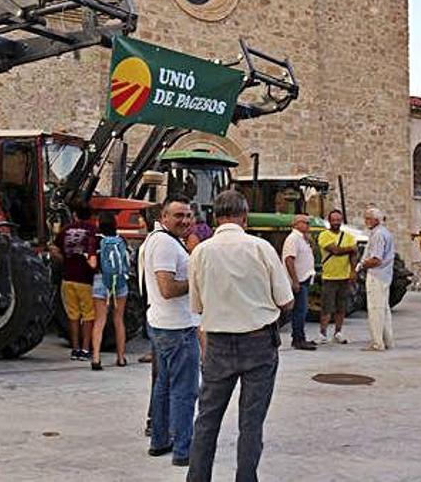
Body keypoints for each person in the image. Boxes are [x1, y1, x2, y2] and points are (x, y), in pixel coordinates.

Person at [188, 190, 294, 482]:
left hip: (219, 344)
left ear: (215, 217)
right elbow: (286, 300)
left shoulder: (200, 252)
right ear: (245, 217)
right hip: (259, 342)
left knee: (207, 420)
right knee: (251, 423)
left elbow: (197, 306)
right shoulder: (260, 248)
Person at [141, 195, 201, 467]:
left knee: (163, 386)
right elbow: (167, 289)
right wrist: (197, 282)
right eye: (178, 215)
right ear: (163, 217)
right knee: (184, 391)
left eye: (188, 215)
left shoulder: (160, 240)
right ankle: (183, 450)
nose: (185, 220)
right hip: (176, 328)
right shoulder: (165, 244)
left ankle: (160, 441)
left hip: (162, 324)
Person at [51, 204, 97, 361]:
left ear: (75, 215)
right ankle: (85, 349)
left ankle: (75, 349)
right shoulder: (93, 231)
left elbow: (54, 249)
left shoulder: (65, 230)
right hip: (86, 280)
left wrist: (64, 261)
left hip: (68, 279)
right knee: (88, 316)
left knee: (73, 316)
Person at [90, 212, 130, 370]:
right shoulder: (121, 240)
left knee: (100, 320)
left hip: (101, 281)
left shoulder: (96, 241)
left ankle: (96, 358)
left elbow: (93, 263)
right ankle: (120, 358)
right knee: (119, 320)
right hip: (120, 282)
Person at [357, 207, 395, 351]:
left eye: (368, 218)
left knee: (375, 310)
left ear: (376, 220)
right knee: (384, 309)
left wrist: (361, 265)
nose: (366, 221)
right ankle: (388, 340)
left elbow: (376, 259)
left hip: (377, 275)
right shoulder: (384, 233)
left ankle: (377, 343)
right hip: (385, 275)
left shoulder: (378, 235)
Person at [317, 209, 357, 344]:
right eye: (333, 220)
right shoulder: (324, 235)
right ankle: (323, 333)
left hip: (344, 276)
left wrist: (353, 271)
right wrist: (350, 249)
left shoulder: (349, 236)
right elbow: (335, 250)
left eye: (338, 220)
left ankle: (338, 333)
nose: (336, 222)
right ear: (329, 221)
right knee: (326, 307)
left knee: (341, 307)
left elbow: (353, 255)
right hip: (329, 276)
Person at [281, 214, 317, 350]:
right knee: (300, 311)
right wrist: (295, 280)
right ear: (296, 224)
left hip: (304, 278)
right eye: (305, 223)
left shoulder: (302, 239)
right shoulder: (293, 239)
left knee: (301, 310)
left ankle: (299, 336)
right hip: (299, 280)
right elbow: (289, 259)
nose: (308, 225)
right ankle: (298, 339)